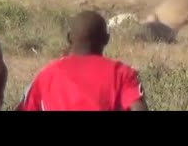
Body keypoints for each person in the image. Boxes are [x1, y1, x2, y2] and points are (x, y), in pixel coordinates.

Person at [16, 10, 148, 111]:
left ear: (69, 38)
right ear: (106, 39)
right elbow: (138, 107)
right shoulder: (122, 73)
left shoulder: (47, 75)